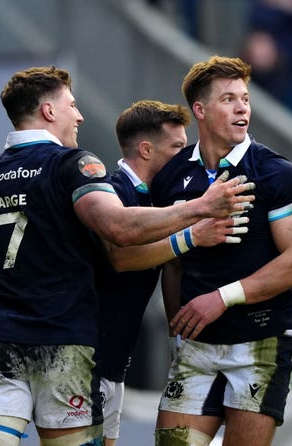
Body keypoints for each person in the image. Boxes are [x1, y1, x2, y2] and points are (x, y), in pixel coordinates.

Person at [0, 66, 254, 446]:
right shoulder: (74, 165)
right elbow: (118, 228)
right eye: (71, 104)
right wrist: (201, 208)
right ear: (49, 111)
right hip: (63, 342)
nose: (79, 115)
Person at [151, 55, 292, 446]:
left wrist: (222, 298)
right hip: (196, 348)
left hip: (260, 341)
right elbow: (170, 264)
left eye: (245, 98)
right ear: (200, 110)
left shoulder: (277, 174)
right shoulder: (172, 177)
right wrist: (178, 331)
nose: (242, 107)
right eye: (228, 99)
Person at [96, 99, 250, 446]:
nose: (185, 156)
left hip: (114, 355)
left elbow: (171, 267)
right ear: (147, 150)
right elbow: (121, 257)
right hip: (86, 354)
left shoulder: (158, 201)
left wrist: (174, 336)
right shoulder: (112, 193)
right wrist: (193, 236)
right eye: (177, 147)